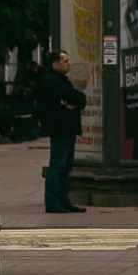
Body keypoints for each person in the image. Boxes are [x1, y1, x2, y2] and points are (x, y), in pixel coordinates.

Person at [38, 50, 87, 214]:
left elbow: (79, 99)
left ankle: (63, 200)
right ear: (55, 64)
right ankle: (53, 201)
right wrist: (73, 101)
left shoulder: (62, 80)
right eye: (65, 61)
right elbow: (74, 96)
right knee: (58, 165)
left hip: (68, 128)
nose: (69, 64)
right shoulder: (51, 81)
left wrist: (74, 101)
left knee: (65, 165)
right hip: (60, 128)